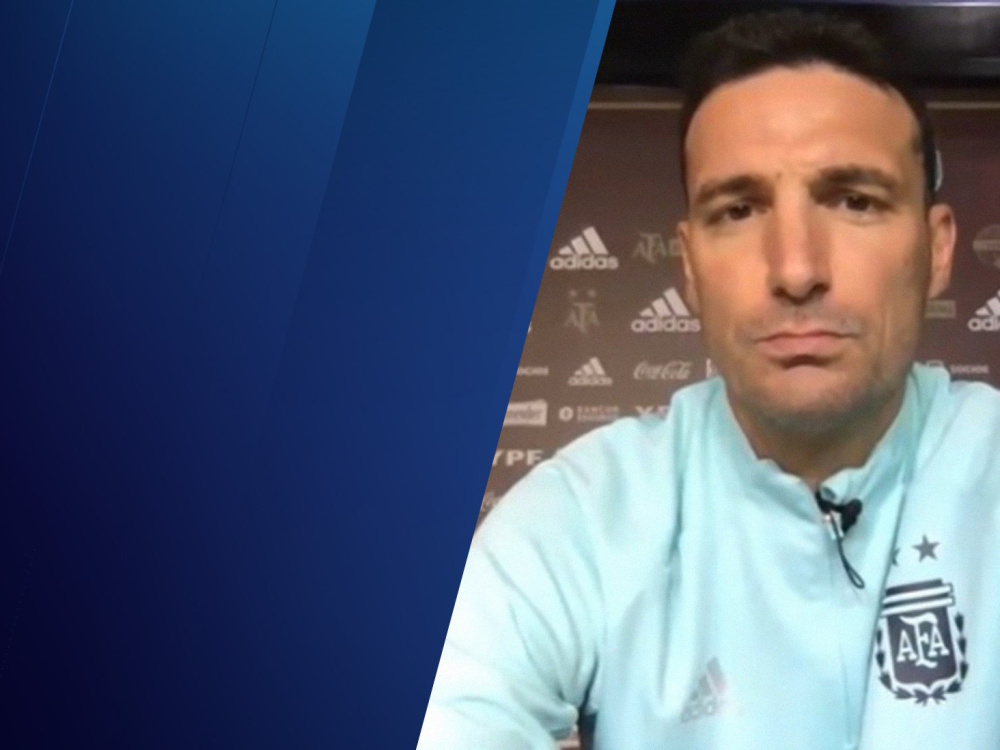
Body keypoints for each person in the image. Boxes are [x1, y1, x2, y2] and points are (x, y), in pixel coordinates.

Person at [417, 9, 1000, 749]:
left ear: (937, 249)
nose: (796, 269)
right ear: (690, 268)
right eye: (739, 209)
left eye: (855, 201)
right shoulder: (585, 517)